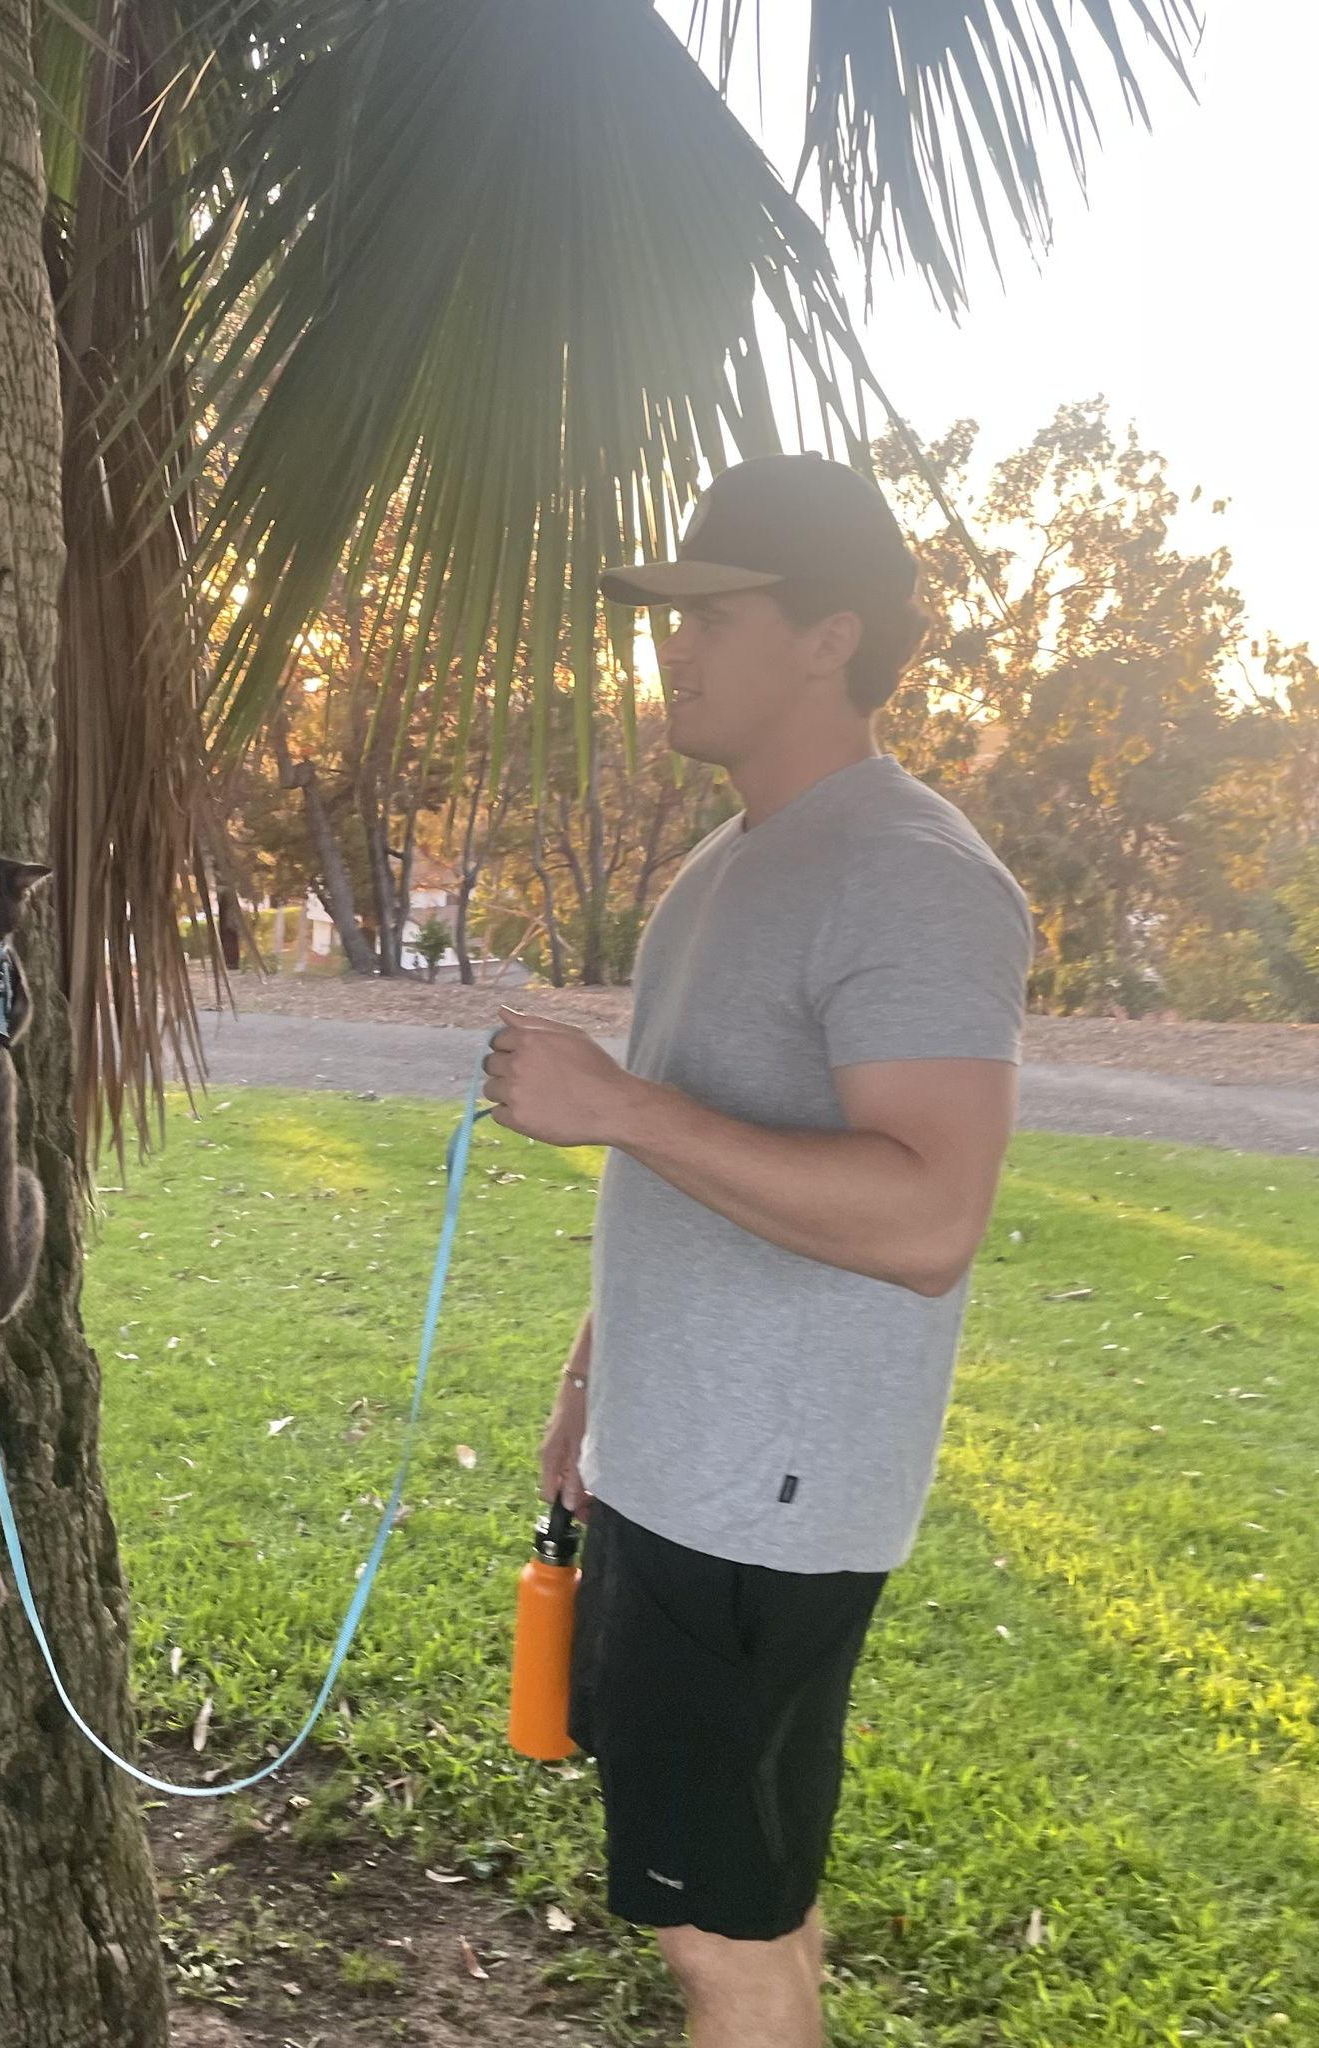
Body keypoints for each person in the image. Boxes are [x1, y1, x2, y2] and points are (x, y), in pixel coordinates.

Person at [480, 453, 1033, 2048]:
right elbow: (694, 1156)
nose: (673, 645)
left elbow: (930, 1218)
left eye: (712, 612)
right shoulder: (724, 866)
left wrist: (618, 1106)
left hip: (767, 1502)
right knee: (746, 1901)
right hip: (682, 1464)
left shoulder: (913, 875)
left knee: (715, 1930)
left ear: (830, 638)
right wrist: (596, 1383)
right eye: (663, 617)